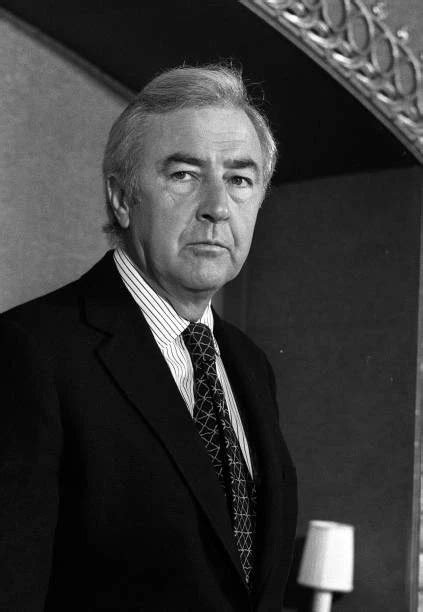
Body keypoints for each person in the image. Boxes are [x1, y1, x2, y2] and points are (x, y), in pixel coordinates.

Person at [0, 64, 297, 611]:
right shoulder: (28, 351)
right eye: (184, 174)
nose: (217, 206)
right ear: (121, 197)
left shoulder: (250, 364)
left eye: (240, 179)